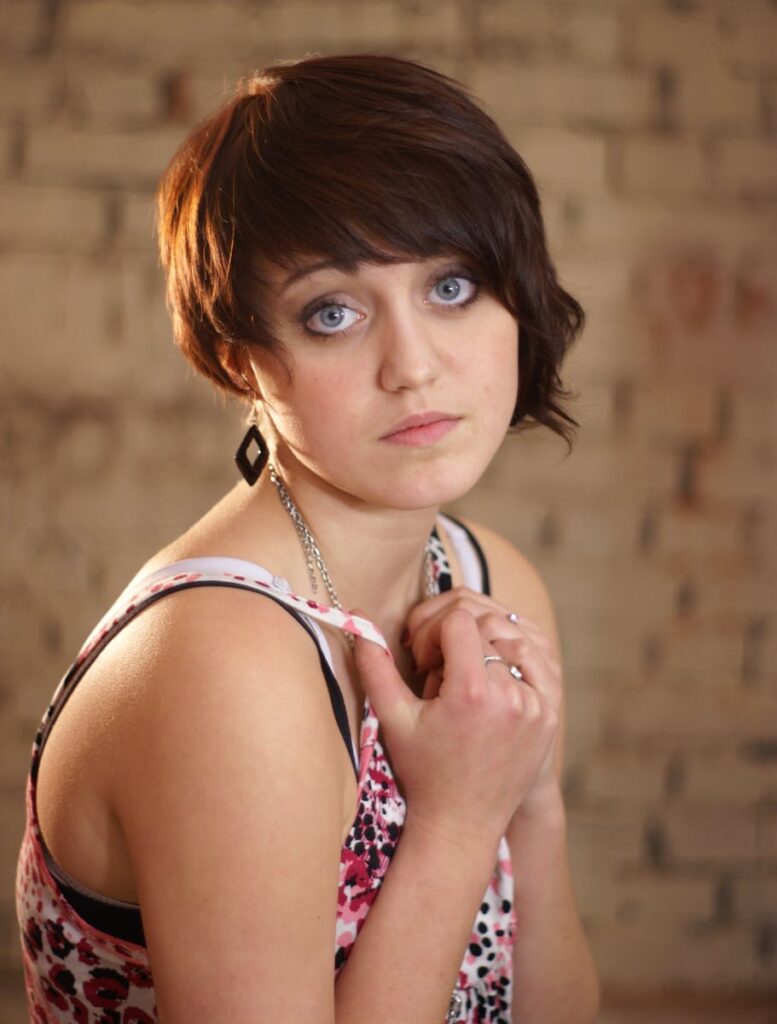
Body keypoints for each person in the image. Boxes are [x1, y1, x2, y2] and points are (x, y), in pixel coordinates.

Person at [15, 53, 599, 1023]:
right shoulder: (224, 661)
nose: (413, 367)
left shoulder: (491, 577)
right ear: (241, 356)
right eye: (333, 313)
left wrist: (528, 805)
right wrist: (457, 820)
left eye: (451, 286)